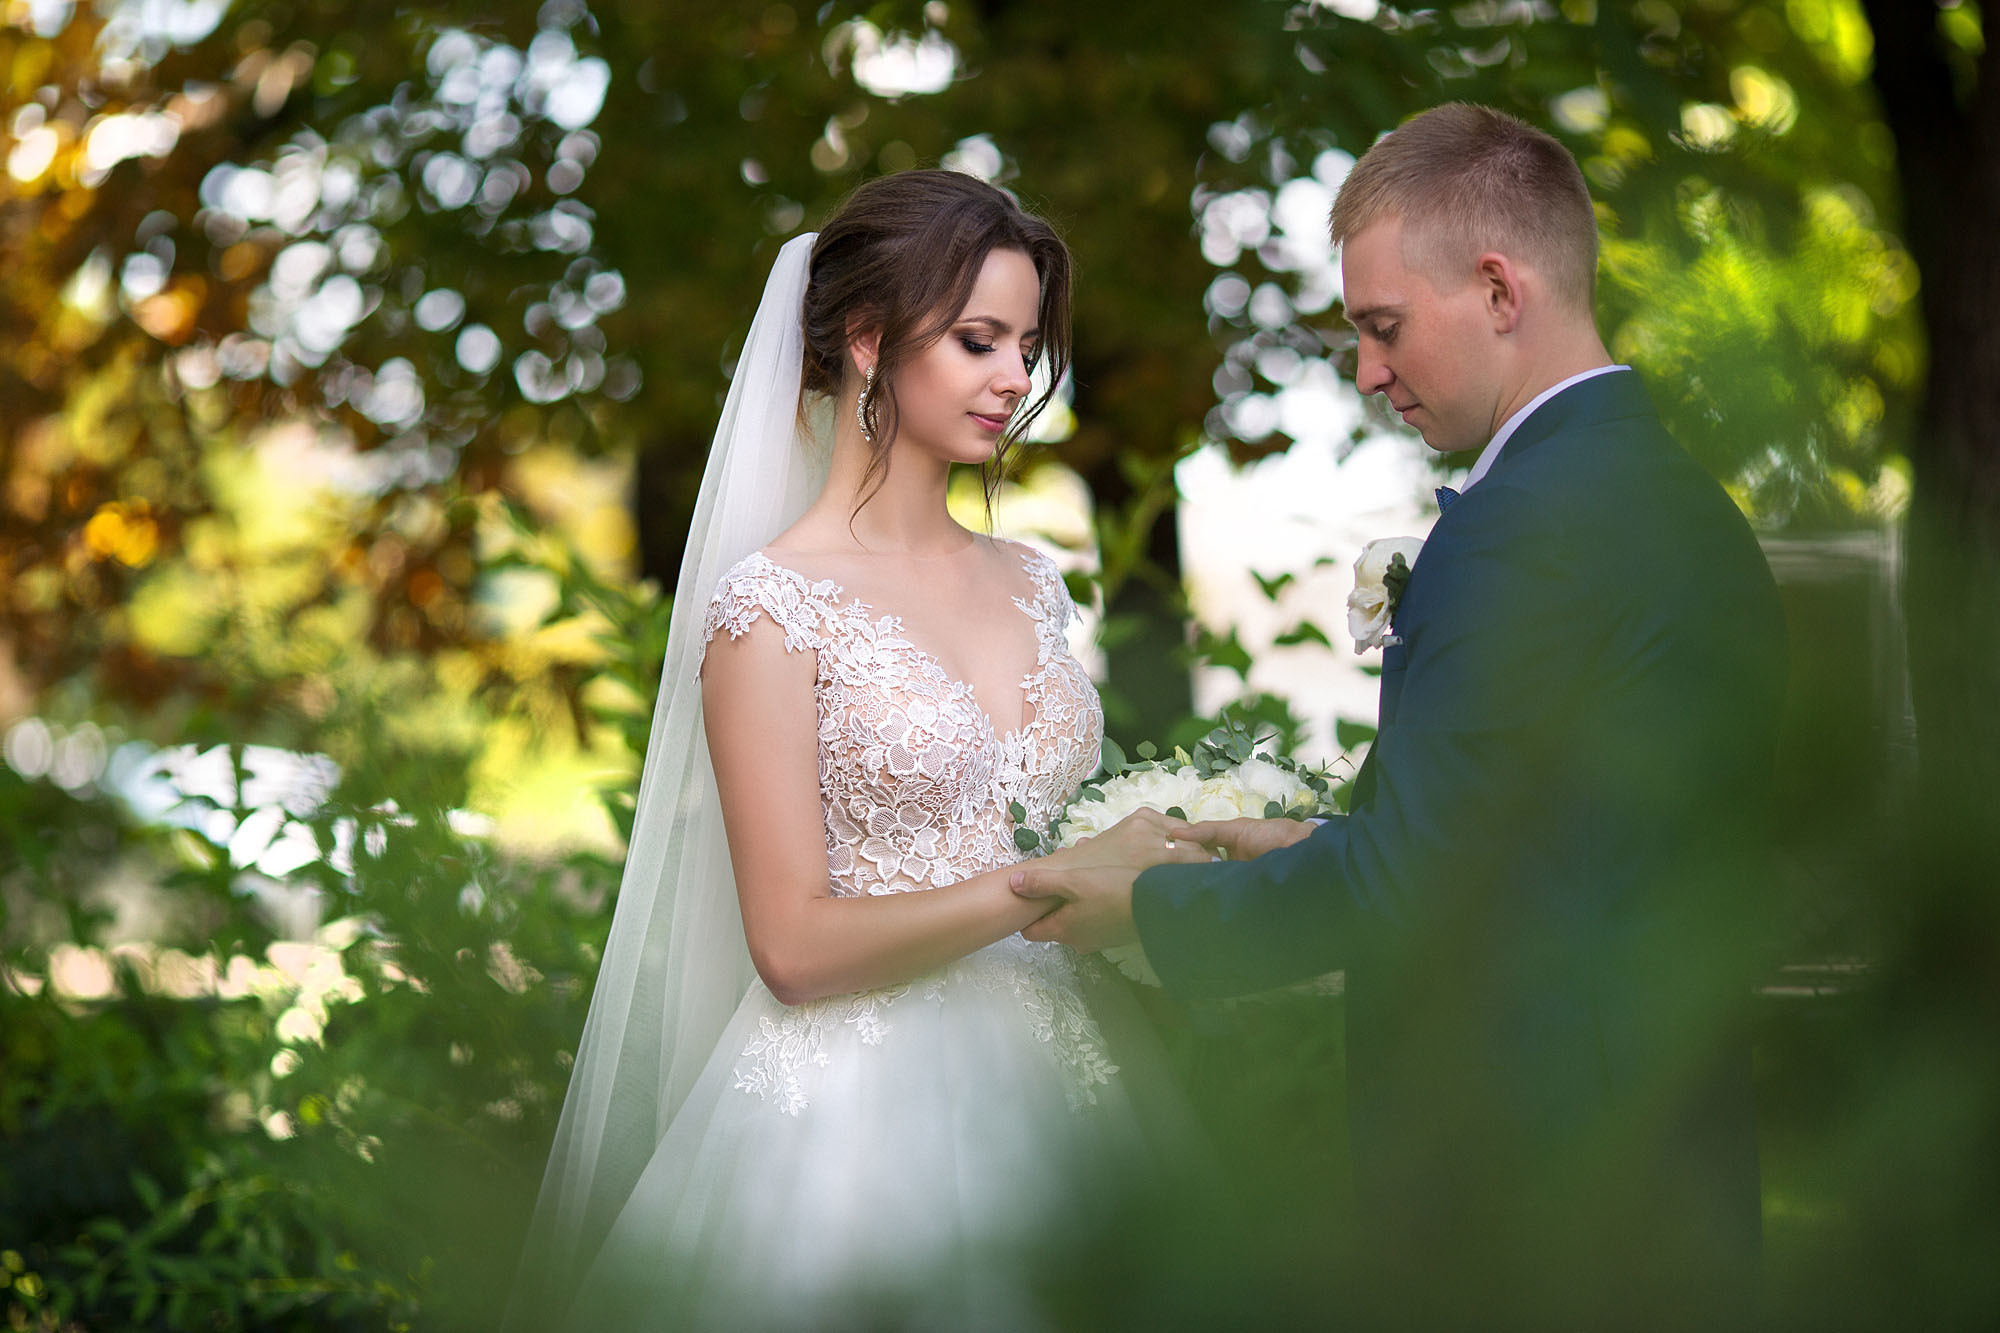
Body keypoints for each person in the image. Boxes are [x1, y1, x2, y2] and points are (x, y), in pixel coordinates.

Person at [1012, 103, 1788, 1327]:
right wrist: (1315, 842)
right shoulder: (1673, 499)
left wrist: (1146, 907)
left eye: (1382, 328)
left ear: (1495, 288)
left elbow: (1417, 891)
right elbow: (1544, 842)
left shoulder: (1524, 529)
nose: (1367, 374)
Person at [502, 169, 1205, 1331]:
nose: (1014, 377)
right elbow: (790, 945)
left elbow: (1045, 824)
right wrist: (1042, 882)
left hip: (1069, 1076)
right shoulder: (771, 609)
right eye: (978, 339)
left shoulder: (1034, 581)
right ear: (870, 341)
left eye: (1027, 345)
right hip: (851, 1120)